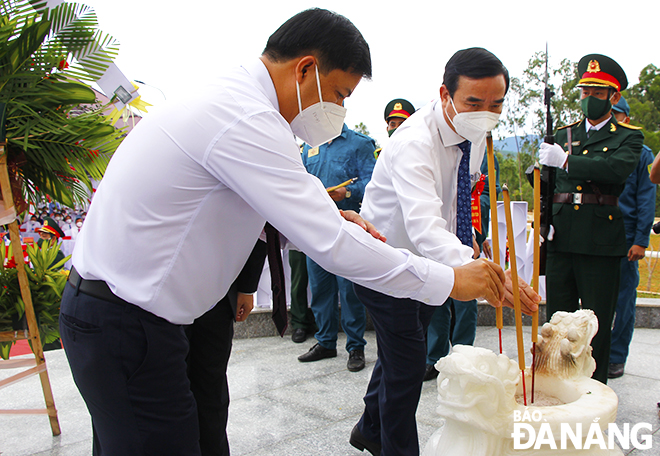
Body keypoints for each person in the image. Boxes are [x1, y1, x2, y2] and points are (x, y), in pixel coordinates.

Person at [59, 10, 516, 455]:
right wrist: (451, 279)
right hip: (124, 319)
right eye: (339, 93)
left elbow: (288, 214)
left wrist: (332, 217)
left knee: (201, 437)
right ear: (305, 70)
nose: (339, 108)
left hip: (153, 317)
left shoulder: (243, 104)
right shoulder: (244, 117)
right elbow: (331, 246)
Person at [350, 48, 540, 456]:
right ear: (445, 94)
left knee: (402, 349)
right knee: (407, 365)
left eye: (496, 104)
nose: (485, 113)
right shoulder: (415, 142)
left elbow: (454, 207)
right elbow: (424, 227)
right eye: (474, 102)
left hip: (429, 266)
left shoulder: (468, 134)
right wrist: (487, 275)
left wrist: (474, 247)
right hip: (388, 264)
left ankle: (369, 427)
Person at [539, 54, 644, 384]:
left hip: (600, 239)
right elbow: (548, 185)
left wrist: (566, 161)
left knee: (596, 321)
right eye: (585, 93)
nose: (589, 99)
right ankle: (557, 382)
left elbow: (615, 170)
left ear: (613, 97)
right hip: (562, 236)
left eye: (597, 94)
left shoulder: (627, 136)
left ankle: (593, 390)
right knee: (558, 320)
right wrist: (544, 216)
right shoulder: (564, 133)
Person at [297, 123, 377, 372]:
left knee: (349, 289)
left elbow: (373, 184)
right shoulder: (309, 145)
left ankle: (355, 346)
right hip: (317, 227)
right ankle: (325, 342)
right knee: (320, 287)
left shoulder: (360, 143)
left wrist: (349, 191)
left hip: (348, 227)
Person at [423, 152, 501, 382]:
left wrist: (471, 220)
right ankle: (435, 357)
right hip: (437, 227)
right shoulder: (438, 147)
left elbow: (486, 194)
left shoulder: (483, 152)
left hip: (467, 230)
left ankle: (464, 355)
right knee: (438, 294)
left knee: (466, 298)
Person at [186, 240, 267, 456]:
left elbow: (259, 222)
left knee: (210, 390)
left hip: (217, 288)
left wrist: (247, 286)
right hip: (155, 295)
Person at [607, 97, 656, 379]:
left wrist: (641, 240)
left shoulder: (642, 153)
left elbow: (646, 199)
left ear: (626, 117)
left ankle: (616, 356)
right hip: (600, 234)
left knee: (624, 299)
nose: (612, 118)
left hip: (627, 236)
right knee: (597, 298)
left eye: (617, 114)